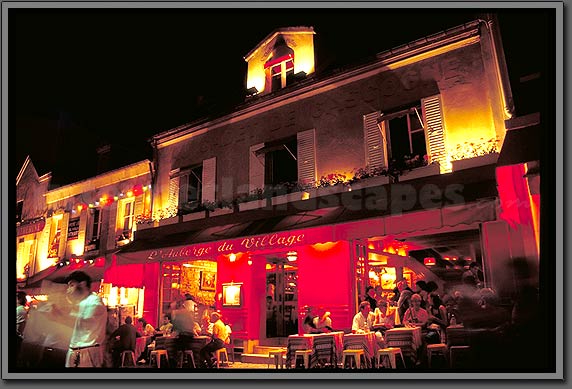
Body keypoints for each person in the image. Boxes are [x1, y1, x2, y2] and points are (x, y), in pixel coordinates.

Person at [50, 271, 107, 368]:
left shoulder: (94, 301)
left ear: (83, 284)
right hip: (76, 351)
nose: (68, 290)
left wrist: (59, 313)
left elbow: (81, 319)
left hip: (87, 353)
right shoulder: (81, 303)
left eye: (71, 285)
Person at [16, 291, 28, 364]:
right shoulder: (21, 309)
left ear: (19, 299)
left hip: (16, 339)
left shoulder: (19, 310)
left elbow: (18, 329)